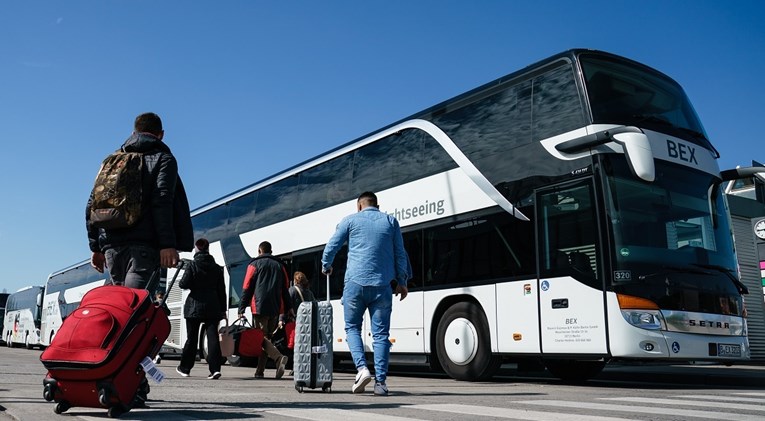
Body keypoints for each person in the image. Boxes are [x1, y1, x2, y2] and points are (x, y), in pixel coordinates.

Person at [85, 112, 194, 408]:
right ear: (161, 133)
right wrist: (168, 244)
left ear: (134, 131)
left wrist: (96, 246)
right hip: (143, 247)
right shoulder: (163, 158)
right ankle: (126, 383)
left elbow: (92, 202)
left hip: (112, 247)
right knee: (136, 318)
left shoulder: (112, 159)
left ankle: (122, 379)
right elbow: (162, 199)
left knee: (118, 317)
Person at [321, 191, 410, 397]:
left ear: (359, 206)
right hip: (382, 285)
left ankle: (362, 369)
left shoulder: (350, 221)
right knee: (381, 335)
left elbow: (332, 246)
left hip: (354, 284)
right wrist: (402, 282)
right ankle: (381, 383)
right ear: (377, 205)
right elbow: (400, 253)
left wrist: (326, 266)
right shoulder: (390, 221)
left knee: (352, 327)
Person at [237, 241, 291, 379]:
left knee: (262, 338)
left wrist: (241, 307)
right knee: (267, 338)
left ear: (259, 251)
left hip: (259, 306)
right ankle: (259, 371)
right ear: (270, 251)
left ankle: (278, 358)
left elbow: (247, 287)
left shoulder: (253, 265)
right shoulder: (280, 265)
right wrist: (289, 308)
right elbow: (285, 289)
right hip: (275, 307)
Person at [176, 238, 227, 380]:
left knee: (191, 339)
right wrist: (223, 310)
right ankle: (215, 369)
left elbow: (183, 284)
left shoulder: (192, 265)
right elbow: (221, 291)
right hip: (213, 305)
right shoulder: (217, 268)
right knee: (213, 338)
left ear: (196, 249)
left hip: (194, 305)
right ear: (208, 249)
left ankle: (185, 368)